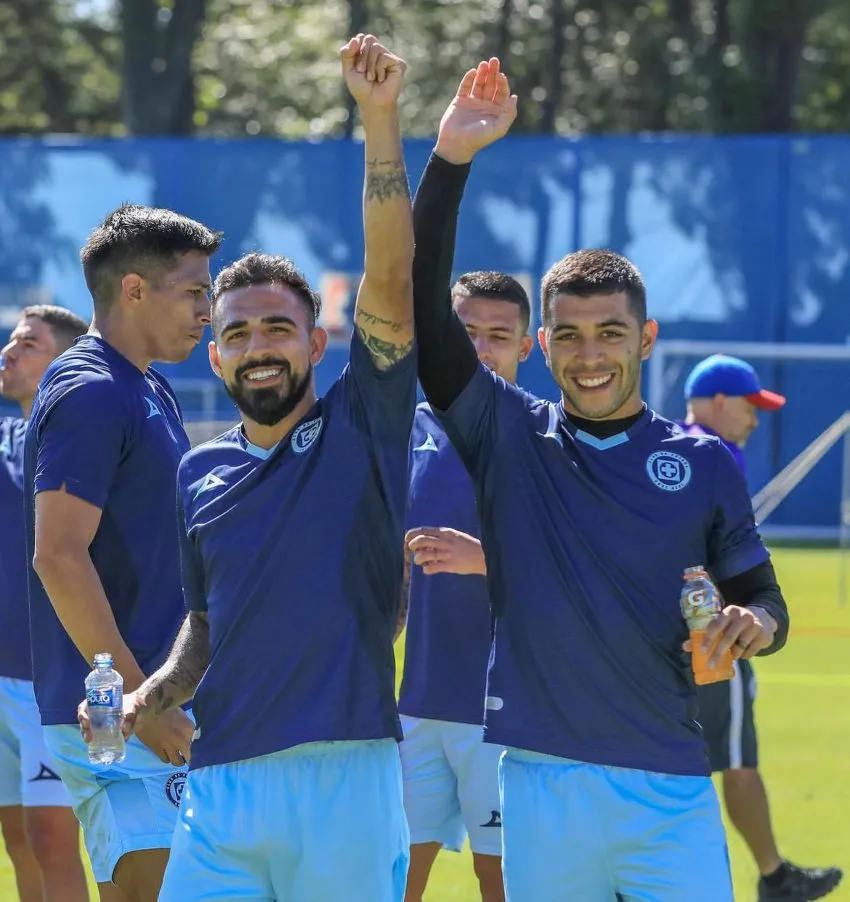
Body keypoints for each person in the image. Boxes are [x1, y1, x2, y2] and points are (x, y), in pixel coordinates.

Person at [410, 58, 790, 901]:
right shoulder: (507, 434)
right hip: (543, 786)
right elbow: (423, 309)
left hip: (670, 786)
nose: (590, 355)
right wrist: (451, 160)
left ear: (645, 338)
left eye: (610, 333)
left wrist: (750, 625)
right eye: (570, 336)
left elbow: (766, 597)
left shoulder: (701, 461)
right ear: (541, 347)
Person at [81, 34, 417, 901]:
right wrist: (150, 697)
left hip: (343, 773)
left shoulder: (364, 422)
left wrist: (379, 121)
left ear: (316, 341)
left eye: (276, 329)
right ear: (217, 358)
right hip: (222, 783)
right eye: (235, 333)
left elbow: (390, 272)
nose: (256, 347)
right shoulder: (199, 472)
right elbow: (204, 620)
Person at [24, 205, 222, 902]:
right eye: (195, 291)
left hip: (141, 705)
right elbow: (58, 555)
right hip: (117, 717)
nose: (208, 311)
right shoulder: (93, 391)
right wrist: (145, 701)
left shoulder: (142, 384)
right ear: (134, 290)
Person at [681, 354, 843, 902]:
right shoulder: (716, 452)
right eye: (750, 407)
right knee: (732, 758)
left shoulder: (668, 447)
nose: (755, 420)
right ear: (721, 403)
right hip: (713, 640)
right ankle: (771, 878)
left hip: (667, 642)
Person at [399, 271, 533, 902]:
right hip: (415, 703)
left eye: (498, 336)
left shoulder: (544, 436)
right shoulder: (404, 431)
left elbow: (580, 569)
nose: (480, 349)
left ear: (526, 347)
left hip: (504, 712)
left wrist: (488, 560)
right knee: (390, 875)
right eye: (465, 332)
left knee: (501, 881)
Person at [0, 306, 90, 902]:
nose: (8, 353)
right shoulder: (7, 436)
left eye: (27, 343)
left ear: (62, 361)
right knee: (17, 837)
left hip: (50, 684)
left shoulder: (83, 444)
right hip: (1, 675)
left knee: (53, 838)